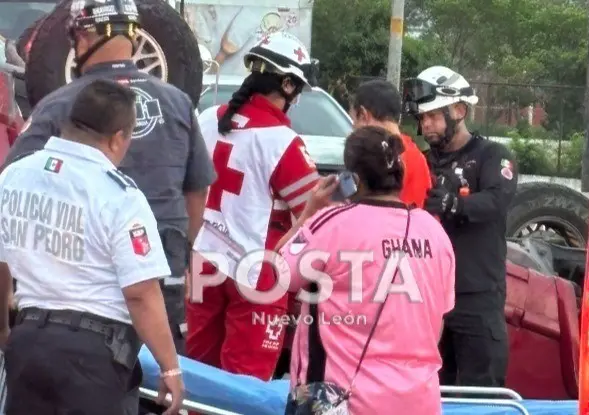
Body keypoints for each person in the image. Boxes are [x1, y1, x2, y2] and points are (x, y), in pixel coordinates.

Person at [2, 0, 216, 357]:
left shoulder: (60, 103)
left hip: (84, 290)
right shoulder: (178, 102)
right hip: (161, 276)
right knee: (160, 386)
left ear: (84, 38)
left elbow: (14, 188)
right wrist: (184, 254)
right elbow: (198, 190)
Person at [0, 79, 184, 415]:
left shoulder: (13, 177)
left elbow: (1, 264)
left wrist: (3, 328)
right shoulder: (119, 195)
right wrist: (169, 367)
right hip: (92, 358)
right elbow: (141, 293)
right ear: (118, 138)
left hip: (27, 344)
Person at [276, 126, 455, 415]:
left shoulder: (330, 223)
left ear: (352, 179)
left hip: (344, 402)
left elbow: (278, 273)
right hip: (420, 401)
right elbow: (440, 319)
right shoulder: (435, 233)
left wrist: (309, 213)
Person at [186, 31, 320, 382]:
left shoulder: (208, 118)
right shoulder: (284, 142)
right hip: (257, 273)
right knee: (244, 389)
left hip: (204, 259)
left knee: (199, 378)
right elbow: (316, 216)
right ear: (288, 85)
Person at [404, 65, 518, 387]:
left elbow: (498, 200)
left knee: (480, 393)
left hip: (476, 296)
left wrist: (456, 204)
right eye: (422, 119)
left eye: (434, 116)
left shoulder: (492, 156)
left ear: (459, 109)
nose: (426, 125)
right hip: (427, 296)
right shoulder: (421, 161)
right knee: (426, 390)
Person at [349, 79, 431, 208]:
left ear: (364, 115)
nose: (353, 128)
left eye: (354, 121)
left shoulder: (381, 155)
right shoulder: (415, 155)